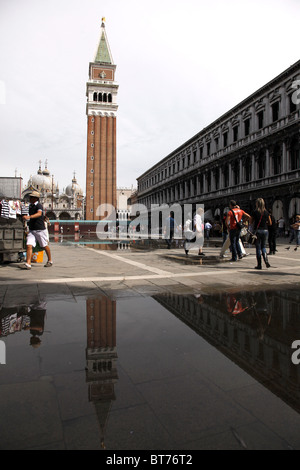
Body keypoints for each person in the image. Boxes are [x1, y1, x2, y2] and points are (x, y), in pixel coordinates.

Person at [21, 191, 53, 270]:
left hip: (40, 230)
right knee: (29, 245)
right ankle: (28, 264)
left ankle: (50, 260)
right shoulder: (30, 206)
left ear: (36, 198)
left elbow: (39, 214)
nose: (30, 198)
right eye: (30, 197)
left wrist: (29, 217)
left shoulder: (39, 205)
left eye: (32, 197)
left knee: (44, 245)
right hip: (32, 229)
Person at [250, 198, 272, 270]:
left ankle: (259, 265)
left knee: (258, 248)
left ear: (257, 204)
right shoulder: (266, 212)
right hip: (265, 230)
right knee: (264, 247)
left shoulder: (255, 212)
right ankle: (266, 261)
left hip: (258, 231)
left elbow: (251, 221)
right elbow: (270, 223)